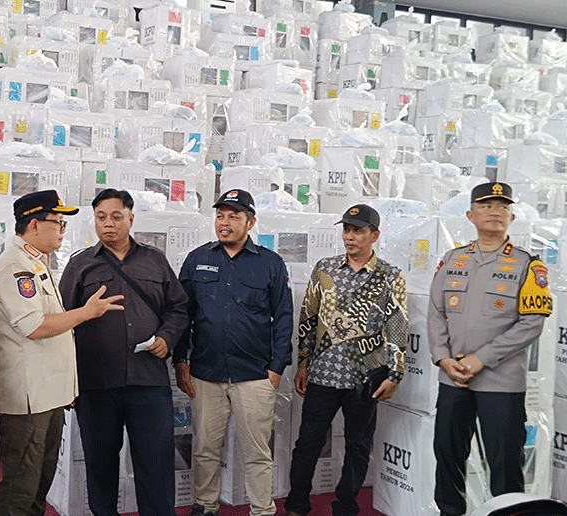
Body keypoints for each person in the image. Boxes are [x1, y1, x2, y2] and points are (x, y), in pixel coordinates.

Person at [0, 190, 125, 516]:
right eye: (58, 223)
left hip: (47, 395)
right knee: (20, 488)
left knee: (39, 485)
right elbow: (35, 326)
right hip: (29, 399)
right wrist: (86, 313)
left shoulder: (36, 261)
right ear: (34, 225)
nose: (63, 231)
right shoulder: (16, 266)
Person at [60, 188, 190, 516]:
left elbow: (178, 308)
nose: (108, 224)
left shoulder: (155, 260)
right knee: (100, 464)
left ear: (131, 219)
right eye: (101, 217)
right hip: (96, 383)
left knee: (156, 464)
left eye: (116, 217)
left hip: (149, 381)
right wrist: (66, 381)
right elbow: (62, 322)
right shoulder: (80, 265)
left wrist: (167, 337)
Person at [429, 183, 552, 516]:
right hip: (453, 377)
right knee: (448, 454)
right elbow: (436, 312)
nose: (495, 211)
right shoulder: (452, 259)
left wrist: (480, 359)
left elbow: (532, 323)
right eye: (486, 205)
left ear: (512, 217)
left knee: (505, 463)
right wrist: (443, 358)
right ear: (471, 215)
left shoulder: (529, 265)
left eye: (502, 206)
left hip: (501, 383)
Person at [174, 189, 293, 516]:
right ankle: (205, 506)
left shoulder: (270, 263)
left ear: (250, 222)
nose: (224, 223)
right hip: (206, 373)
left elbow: (284, 319)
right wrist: (181, 360)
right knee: (205, 450)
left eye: (233, 216)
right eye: (220, 216)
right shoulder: (197, 259)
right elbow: (182, 315)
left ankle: (262, 510)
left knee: (257, 453)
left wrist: (276, 369)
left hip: (254, 375)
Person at [284, 204, 408, 516]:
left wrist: (395, 373)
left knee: (358, 446)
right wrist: (303, 362)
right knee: (307, 443)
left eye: (358, 231)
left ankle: (346, 507)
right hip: (323, 374)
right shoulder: (324, 268)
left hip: (366, 377)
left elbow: (397, 325)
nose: (350, 236)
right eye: (347, 230)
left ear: (374, 235)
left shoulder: (390, 276)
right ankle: (296, 505)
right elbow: (309, 317)